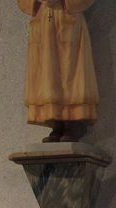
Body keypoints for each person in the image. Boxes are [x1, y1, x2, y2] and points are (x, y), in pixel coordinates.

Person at [17, 0, 99, 142]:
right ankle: (56, 121)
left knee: (70, 73)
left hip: (67, 20)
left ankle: (73, 121)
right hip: (43, 23)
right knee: (46, 76)